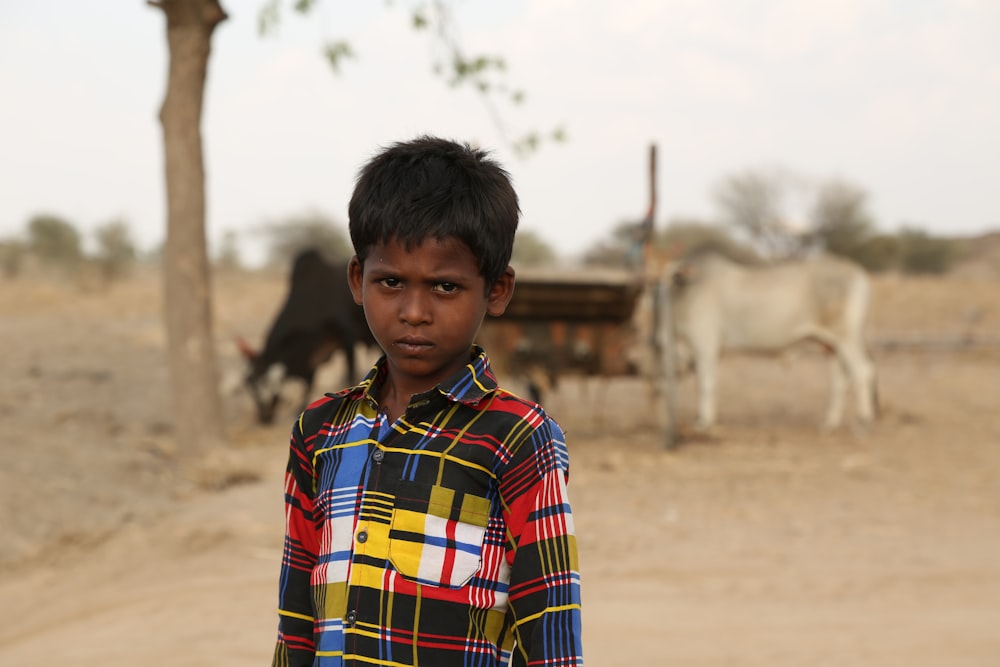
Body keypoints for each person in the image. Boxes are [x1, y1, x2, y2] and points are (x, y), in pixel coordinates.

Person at [271, 135, 583, 667]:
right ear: (357, 280)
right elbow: (297, 618)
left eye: (444, 287)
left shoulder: (519, 438)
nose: (414, 311)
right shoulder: (319, 431)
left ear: (497, 290)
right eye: (390, 281)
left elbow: (549, 624)